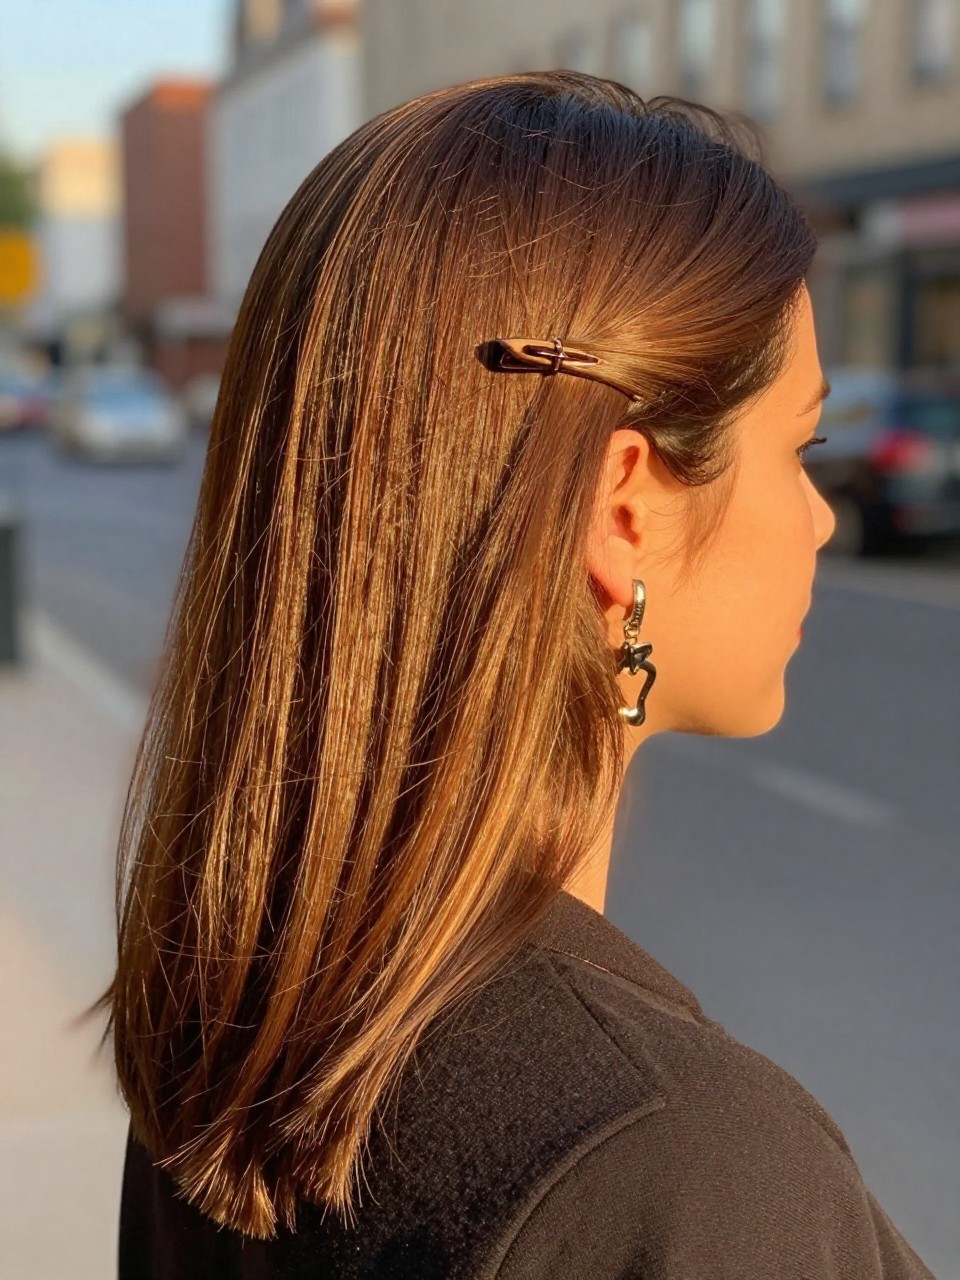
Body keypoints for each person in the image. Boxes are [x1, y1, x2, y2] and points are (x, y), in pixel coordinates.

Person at [88, 72, 938, 1277]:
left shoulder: (244, 1011)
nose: (820, 520)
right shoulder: (680, 1162)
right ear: (626, 506)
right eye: (798, 447)